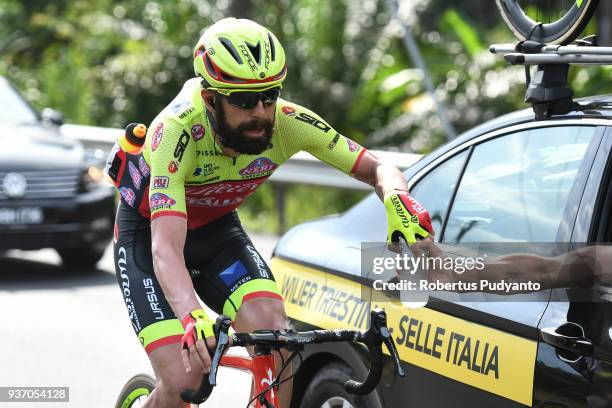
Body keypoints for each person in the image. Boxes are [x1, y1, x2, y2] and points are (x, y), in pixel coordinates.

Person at [110, 17, 433, 408]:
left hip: (216, 232)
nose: (261, 112)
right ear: (211, 99)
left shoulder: (288, 122)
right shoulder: (176, 130)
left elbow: (376, 167)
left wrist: (399, 199)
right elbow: (165, 248)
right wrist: (192, 315)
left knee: (278, 341)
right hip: (150, 238)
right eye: (244, 101)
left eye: (270, 95)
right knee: (185, 377)